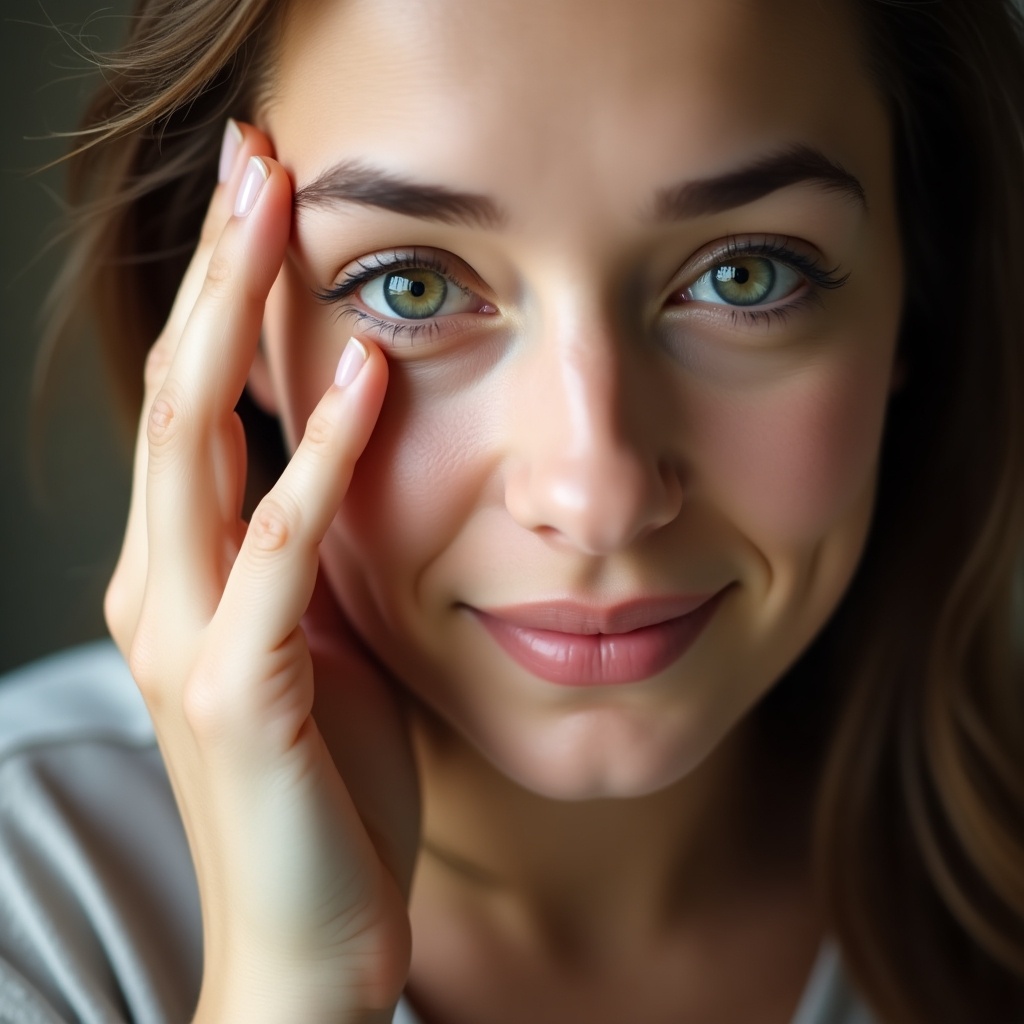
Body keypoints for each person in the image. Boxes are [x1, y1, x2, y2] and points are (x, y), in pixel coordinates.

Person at [1, 0, 1023, 1021]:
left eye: (741, 273)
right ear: (243, 329)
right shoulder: (33, 901)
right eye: (410, 288)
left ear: (913, 294)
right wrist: (293, 989)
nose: (596, 497)